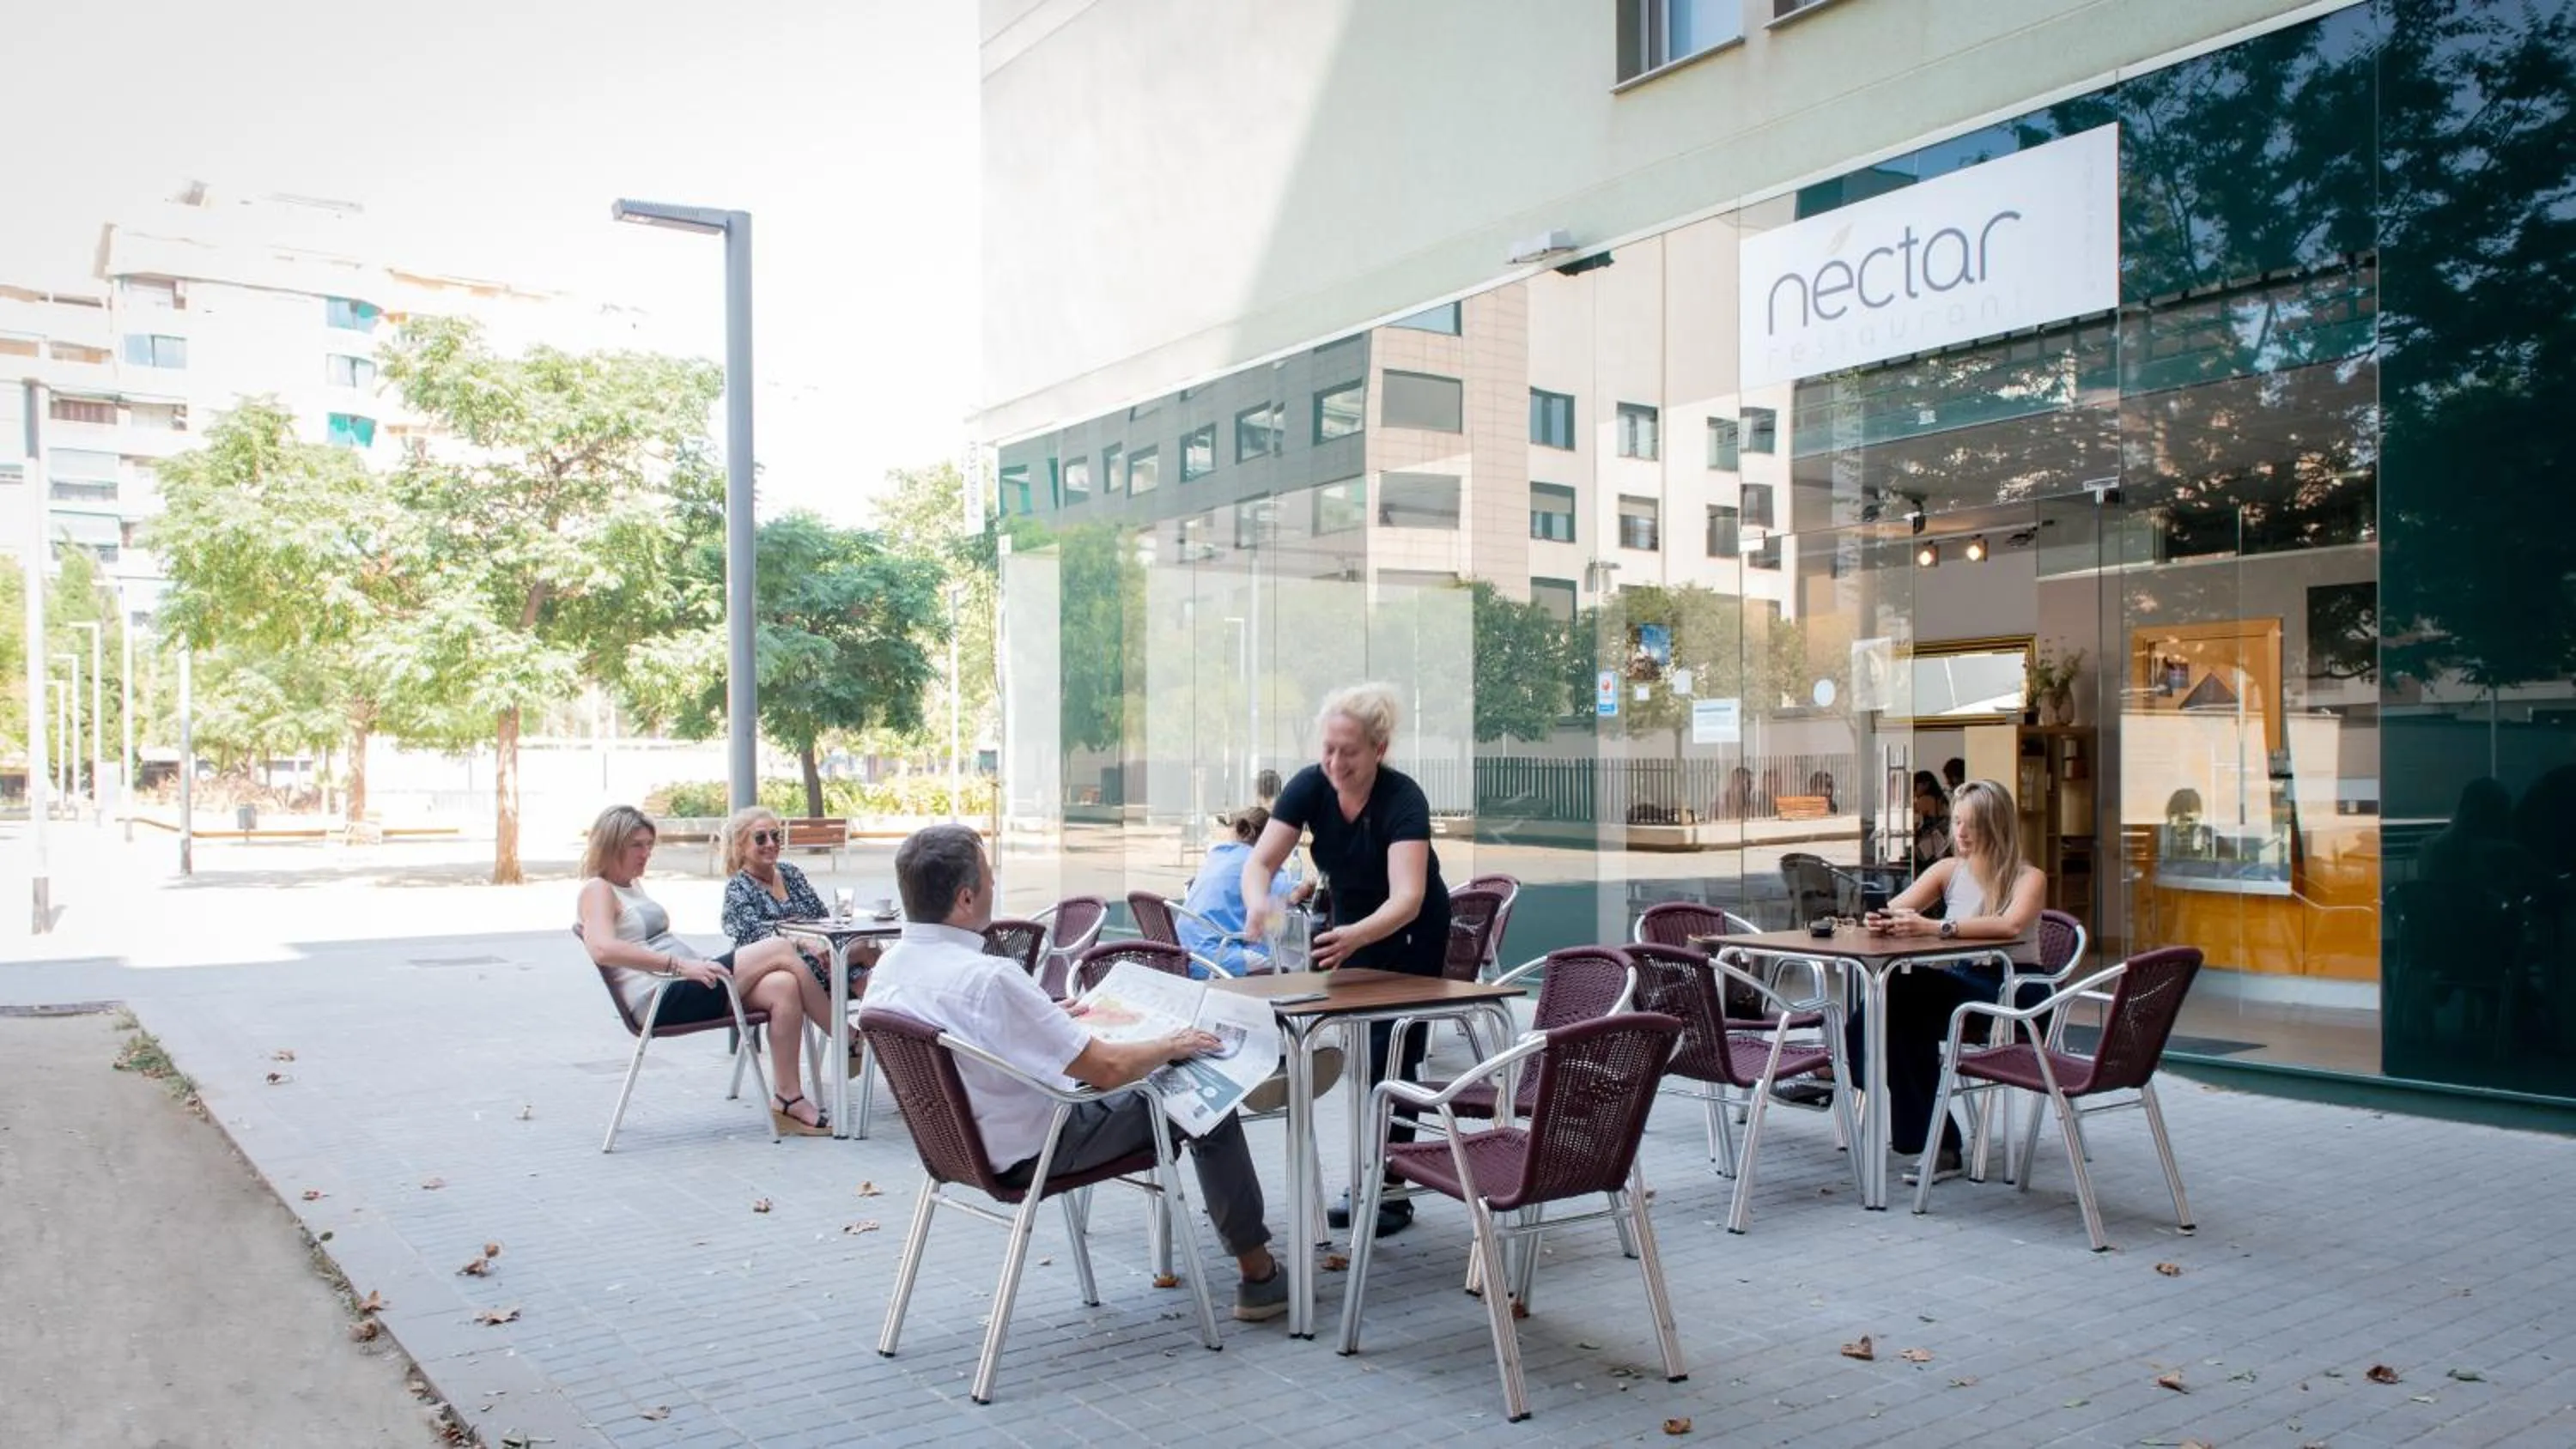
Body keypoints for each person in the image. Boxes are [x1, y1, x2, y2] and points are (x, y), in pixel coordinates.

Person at [861, 825, 1287, 1321]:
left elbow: (972, 1033)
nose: (995, 887)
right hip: (1038, 1149)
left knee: (1156, 1073)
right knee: (1203, 1100)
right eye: (990, 877)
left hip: (956, 1148)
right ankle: (1259, 1275)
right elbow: (1107, 1070)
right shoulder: (988, 977)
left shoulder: (890, 969)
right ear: (965, 897)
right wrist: (1172, 1043)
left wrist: (1048, 1016)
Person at [1242, 682, 1450, 1238]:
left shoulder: (1404, 799)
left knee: (1393, 1055)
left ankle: (1390, 1189)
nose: (1334, 762)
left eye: (1349, 752)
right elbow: (1260, 862)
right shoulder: (1310, 785)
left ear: (1379, 750)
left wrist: (1355, 936)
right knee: (1361, 1053)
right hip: (1353, 927)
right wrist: (1258, 902)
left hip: (1409, 931)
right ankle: (1369, 1172)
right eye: (1328, 748)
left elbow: (1408, 898)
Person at [575, 805, 839, 1136]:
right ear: (612, 844)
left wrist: (691, 964)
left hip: (685, 983)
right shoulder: (598, 889)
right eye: (637, 845)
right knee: (782, 948)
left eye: (649, 846)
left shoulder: (630, 886)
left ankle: (788, 1099)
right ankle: (846, 1037)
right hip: (661, 997)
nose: (647, 854)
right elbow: (602, 947)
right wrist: (681, 965)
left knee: (783, 985)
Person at [1854, 779, 2045, 1182]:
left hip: (2014, 992)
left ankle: (1843, 1069)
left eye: (1971, 823)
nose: (1960, 832)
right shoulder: (1947, 870)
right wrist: (1881, 918)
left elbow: (2009, 926)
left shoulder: (2029, 878)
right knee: (1901, 1015)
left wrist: (1935, 926)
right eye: (1957, 821)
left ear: (1996, 826)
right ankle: (1939, 1146)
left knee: (1901, 997)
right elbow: (1894, 910)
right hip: (1964, 984)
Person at [720, 805, 872, 990]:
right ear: (741, 846)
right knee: (856, 958)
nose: (771, 843)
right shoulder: (738, 887)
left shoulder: (789, 872)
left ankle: (883, 1015)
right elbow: (753, 936)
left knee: (866, 956)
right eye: (760, 838)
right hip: (778, 967)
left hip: (819, 956)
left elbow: (819, 916)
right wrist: (802, 942)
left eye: (775, 836)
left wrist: (824, 941)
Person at [1177, 806, 1312, 978]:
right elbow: (1294, 895)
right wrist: (1310, 884)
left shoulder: (1218, 854)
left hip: (1183, 953)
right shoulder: (1259, 864)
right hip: (1216, 957)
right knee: (1284, 961)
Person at [1911, 773, 1953, 875]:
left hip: (1927, 846)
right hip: (1941, 845)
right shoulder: (1941, 799)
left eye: (1916, 786)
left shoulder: (1924, 800)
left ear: (1926, 784)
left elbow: (1913, 822)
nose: (1914, 790)